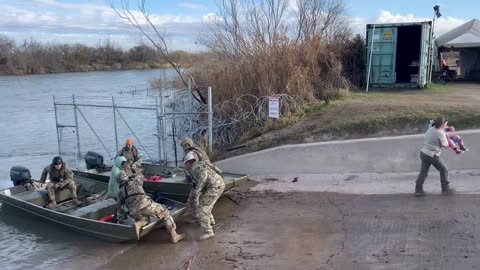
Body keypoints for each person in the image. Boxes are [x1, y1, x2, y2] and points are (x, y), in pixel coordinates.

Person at [116, 160, 185, 243]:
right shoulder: (134, 182)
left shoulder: (120, 193)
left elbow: (119, 209)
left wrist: (120, 221)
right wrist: (135, 170)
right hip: (145, 204)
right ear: (126, 177)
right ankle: (174, 236)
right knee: (165, 213)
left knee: (145, 219)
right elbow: (141, 176)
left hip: (134, 212)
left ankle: (139, 224)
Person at [184, 152, 225, 240]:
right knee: (205, 203)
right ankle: (211, 220)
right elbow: (218, 170)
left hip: (214, 187)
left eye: (185, 163)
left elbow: (204, 175)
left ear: (189, 162)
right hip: (217, 184)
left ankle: (208, 231)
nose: (185, 166)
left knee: (202, 209)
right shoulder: (201, 164)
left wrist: (198, 190)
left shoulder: (195, 167)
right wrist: (190, 199)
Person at [181, 137, 221, 225]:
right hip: (207, 180)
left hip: (202, 182)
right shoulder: (200, 151)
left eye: (183, 146)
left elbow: (196, 170)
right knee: (200, 202)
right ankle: (207, 219)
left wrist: (198, 189)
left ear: (186, 145)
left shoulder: (192, 154)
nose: (182, 148)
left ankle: (203, 220)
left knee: (198, 202)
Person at [415, 117, 455, 196]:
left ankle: (418, 190)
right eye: (445, 124)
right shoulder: (440, 133)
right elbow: (446, 145)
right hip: (432, 155)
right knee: (444, 169)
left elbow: (441, 130)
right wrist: (448, 139)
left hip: (424, 152)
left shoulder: (431, 128)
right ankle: (445, 189)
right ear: (442, 124)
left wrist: (448, 128)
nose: (446, 125)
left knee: (423, 172)